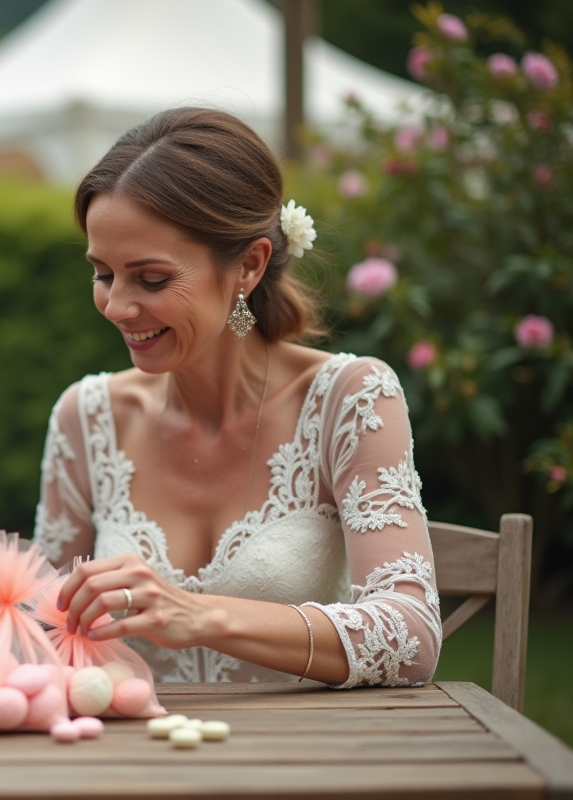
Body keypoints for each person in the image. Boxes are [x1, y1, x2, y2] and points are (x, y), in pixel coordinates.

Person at [35, 108, 441, 687]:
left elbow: (411, 637)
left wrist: (199, 616)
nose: (116, 306)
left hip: (311, 744)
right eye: (103, 274)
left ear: (249, 265)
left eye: (151, 278)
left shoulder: (350, 400)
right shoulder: (87, 416)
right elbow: (43, 632)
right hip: (134, 742)